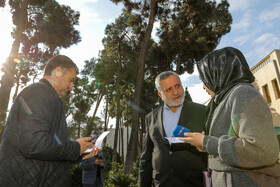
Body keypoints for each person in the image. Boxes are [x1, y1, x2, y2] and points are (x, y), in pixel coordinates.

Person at [180, 47, 280, 186]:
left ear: (219, 72)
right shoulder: (225, 99)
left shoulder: (243, 93)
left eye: (204, 78)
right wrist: (205, 145)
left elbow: (262, 150)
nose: (203, 86)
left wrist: (207, 142)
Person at [0, 55, 100, 186]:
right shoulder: (39, 92)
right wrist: (75, 148)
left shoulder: (45, 95)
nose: (71, 86)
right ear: (57, 72)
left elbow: (47, 151)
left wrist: (79, 153)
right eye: (71, 80)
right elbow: (34, 143)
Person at [139, 71, 208, 187]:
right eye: (169, 89)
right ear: (160, 95)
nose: (176, 92)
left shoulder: (202, 111)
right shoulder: (150, 118)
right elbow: (146, 158)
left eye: (177, 86)